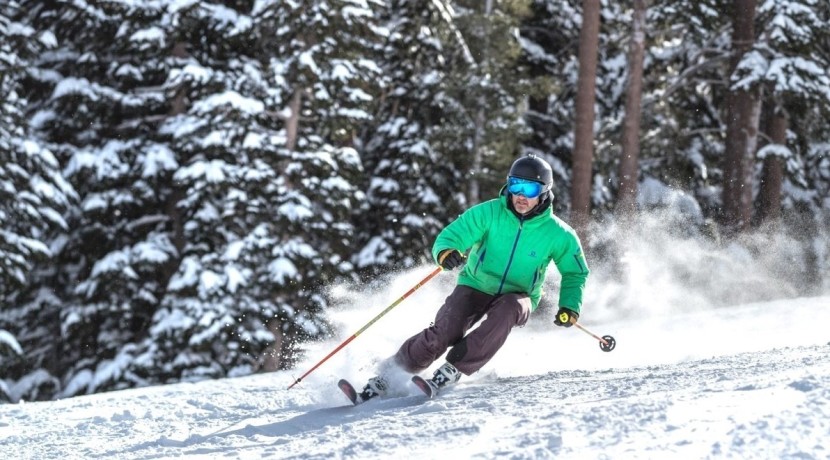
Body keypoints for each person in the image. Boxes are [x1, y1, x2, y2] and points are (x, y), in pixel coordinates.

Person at [357, 154, 590, 401]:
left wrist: (569, 306)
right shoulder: (489, 213)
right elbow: (451, 236)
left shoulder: (559, 233)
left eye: (529, 188)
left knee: (507, 311)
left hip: (519, 294)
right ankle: (393, 371)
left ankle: (454, 368)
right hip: (476, 284)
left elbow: (575, 272)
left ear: (544, 191)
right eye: (515, 186)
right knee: (446, 330)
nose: (521, 195)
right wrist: (446, 253)